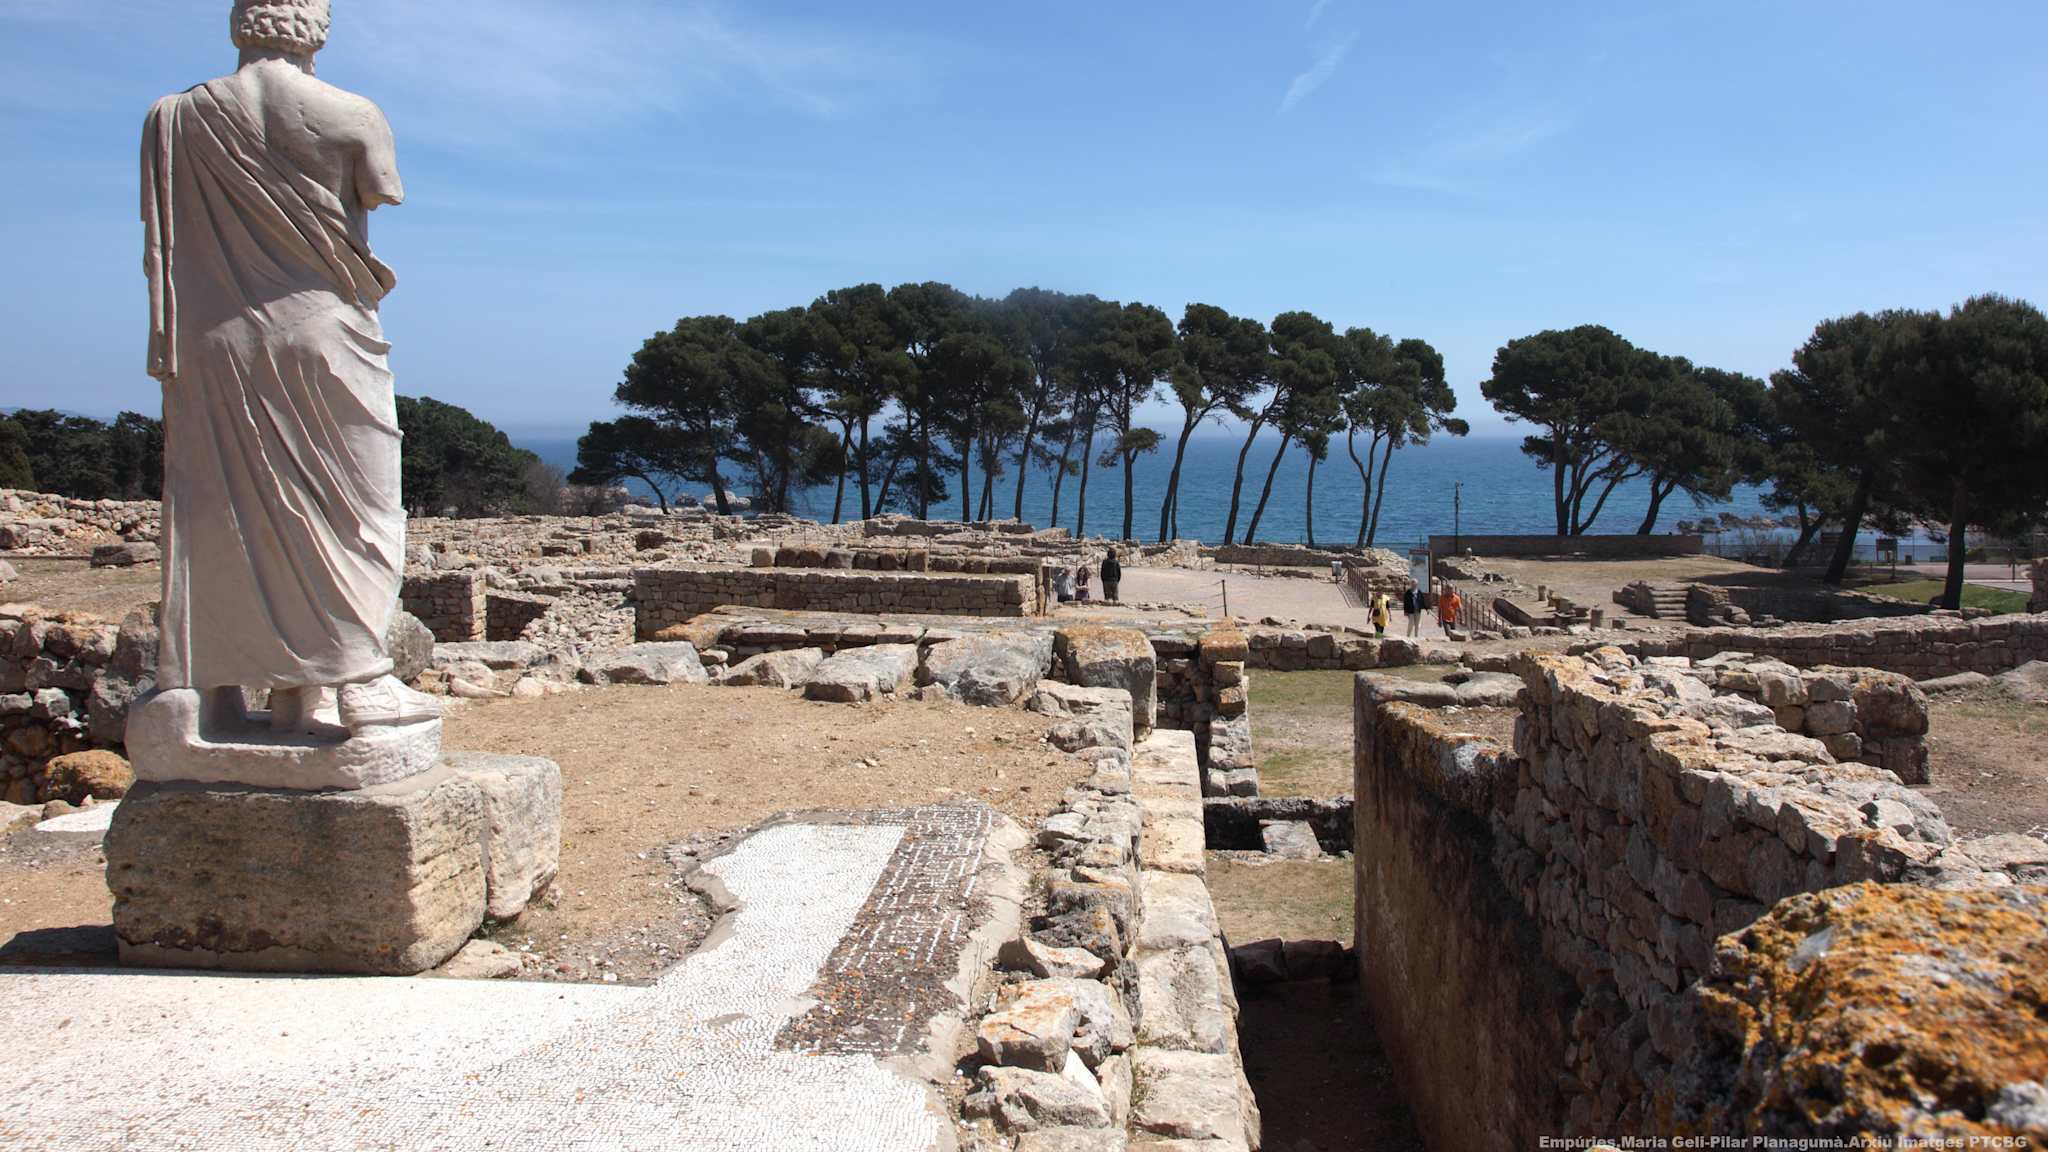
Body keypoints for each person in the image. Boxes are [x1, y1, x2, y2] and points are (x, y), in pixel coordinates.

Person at [142, 0, 437, 734]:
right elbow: (379, 191)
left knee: (221, 514)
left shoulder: (172, 119)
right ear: (317, 28)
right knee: (358, 512)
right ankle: (356, 682)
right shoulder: (352, 113)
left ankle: (233, 693)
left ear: (239, 23)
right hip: (320, 329)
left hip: (213, 342)